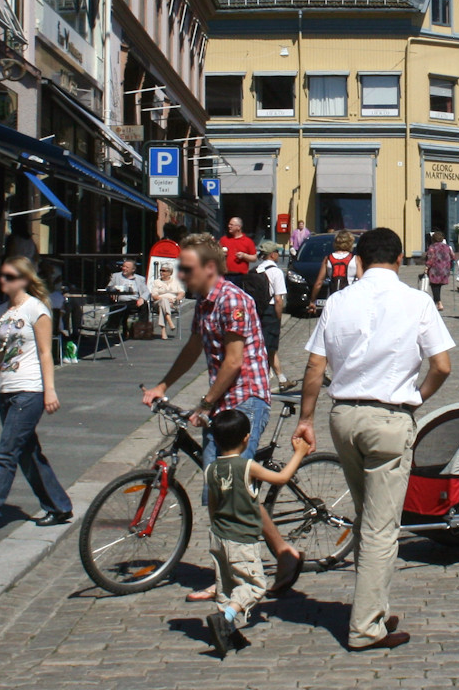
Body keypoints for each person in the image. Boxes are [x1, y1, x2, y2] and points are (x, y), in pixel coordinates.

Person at [296, 228, 454, 651]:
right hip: (389, 418)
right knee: (383, 527)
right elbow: (441, 365)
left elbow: (314, 366)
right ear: (400, 260)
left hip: (344, 417)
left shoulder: (338, 301)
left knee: (368, 515)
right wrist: (417, 397)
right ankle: (366, 626)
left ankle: (375, 606)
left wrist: (305, 419)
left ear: (359, 261)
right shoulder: (417, 301)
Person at [141, 233, 303, 597]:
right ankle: (270, 557)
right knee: (227, 491)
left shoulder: (232, 301)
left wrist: (205, 405)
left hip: (244, 402)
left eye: (187, 268)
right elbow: (193, 347)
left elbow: (234, 361)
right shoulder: (204, 303)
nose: (181, 274)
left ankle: (250, 571)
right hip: (224, 402)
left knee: (228, 489)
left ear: (210, 268)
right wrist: (163, 385)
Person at [0, 256, 72, 532]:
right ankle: (58, 506)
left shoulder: (37, 309)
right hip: (6, 389)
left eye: (9, 276)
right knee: (27, 452)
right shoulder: (1, 311)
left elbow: (47, 353)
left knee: (6, 453)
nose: (3, 281)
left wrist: (50, 391)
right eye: (2, 275)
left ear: (24, 279)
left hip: (29, 389)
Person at [200, 410, 313, 656]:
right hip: (241, 538)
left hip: (218, 537)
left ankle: (226, 631)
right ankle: (227, 617)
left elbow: (212, 508)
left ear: (216, 441)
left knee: (226, 587)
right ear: (247, 439)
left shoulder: (210, 470)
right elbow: (281, 477)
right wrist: (299, 453)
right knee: (254, 585)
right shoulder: (247, 466)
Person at [254, 241, 292, 389]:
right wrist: (279, 316)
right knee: (270, 347)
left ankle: (279, 378)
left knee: (265, 346)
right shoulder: (276, 272)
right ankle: (272, 379)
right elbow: (278, 299)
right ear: (272, 254)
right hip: (270, 311)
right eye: (277, 252)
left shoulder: (257, 269)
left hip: (258, 310)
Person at [310, 229, 360, 313]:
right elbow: (362, 281)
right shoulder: (355, 259)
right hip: (350, 299)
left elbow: (319, 282)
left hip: (332, 298)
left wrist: (312, 301)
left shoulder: (328, 258)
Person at [423, 232, 454, 312]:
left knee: (434, 286)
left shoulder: (432, 247)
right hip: (445, 269)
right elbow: (453, 256)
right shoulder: (447, 247)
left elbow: (430, 259)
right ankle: (435, 302)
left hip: (435, 269)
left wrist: (426, 268)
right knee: (438, 286)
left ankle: (438, 303)